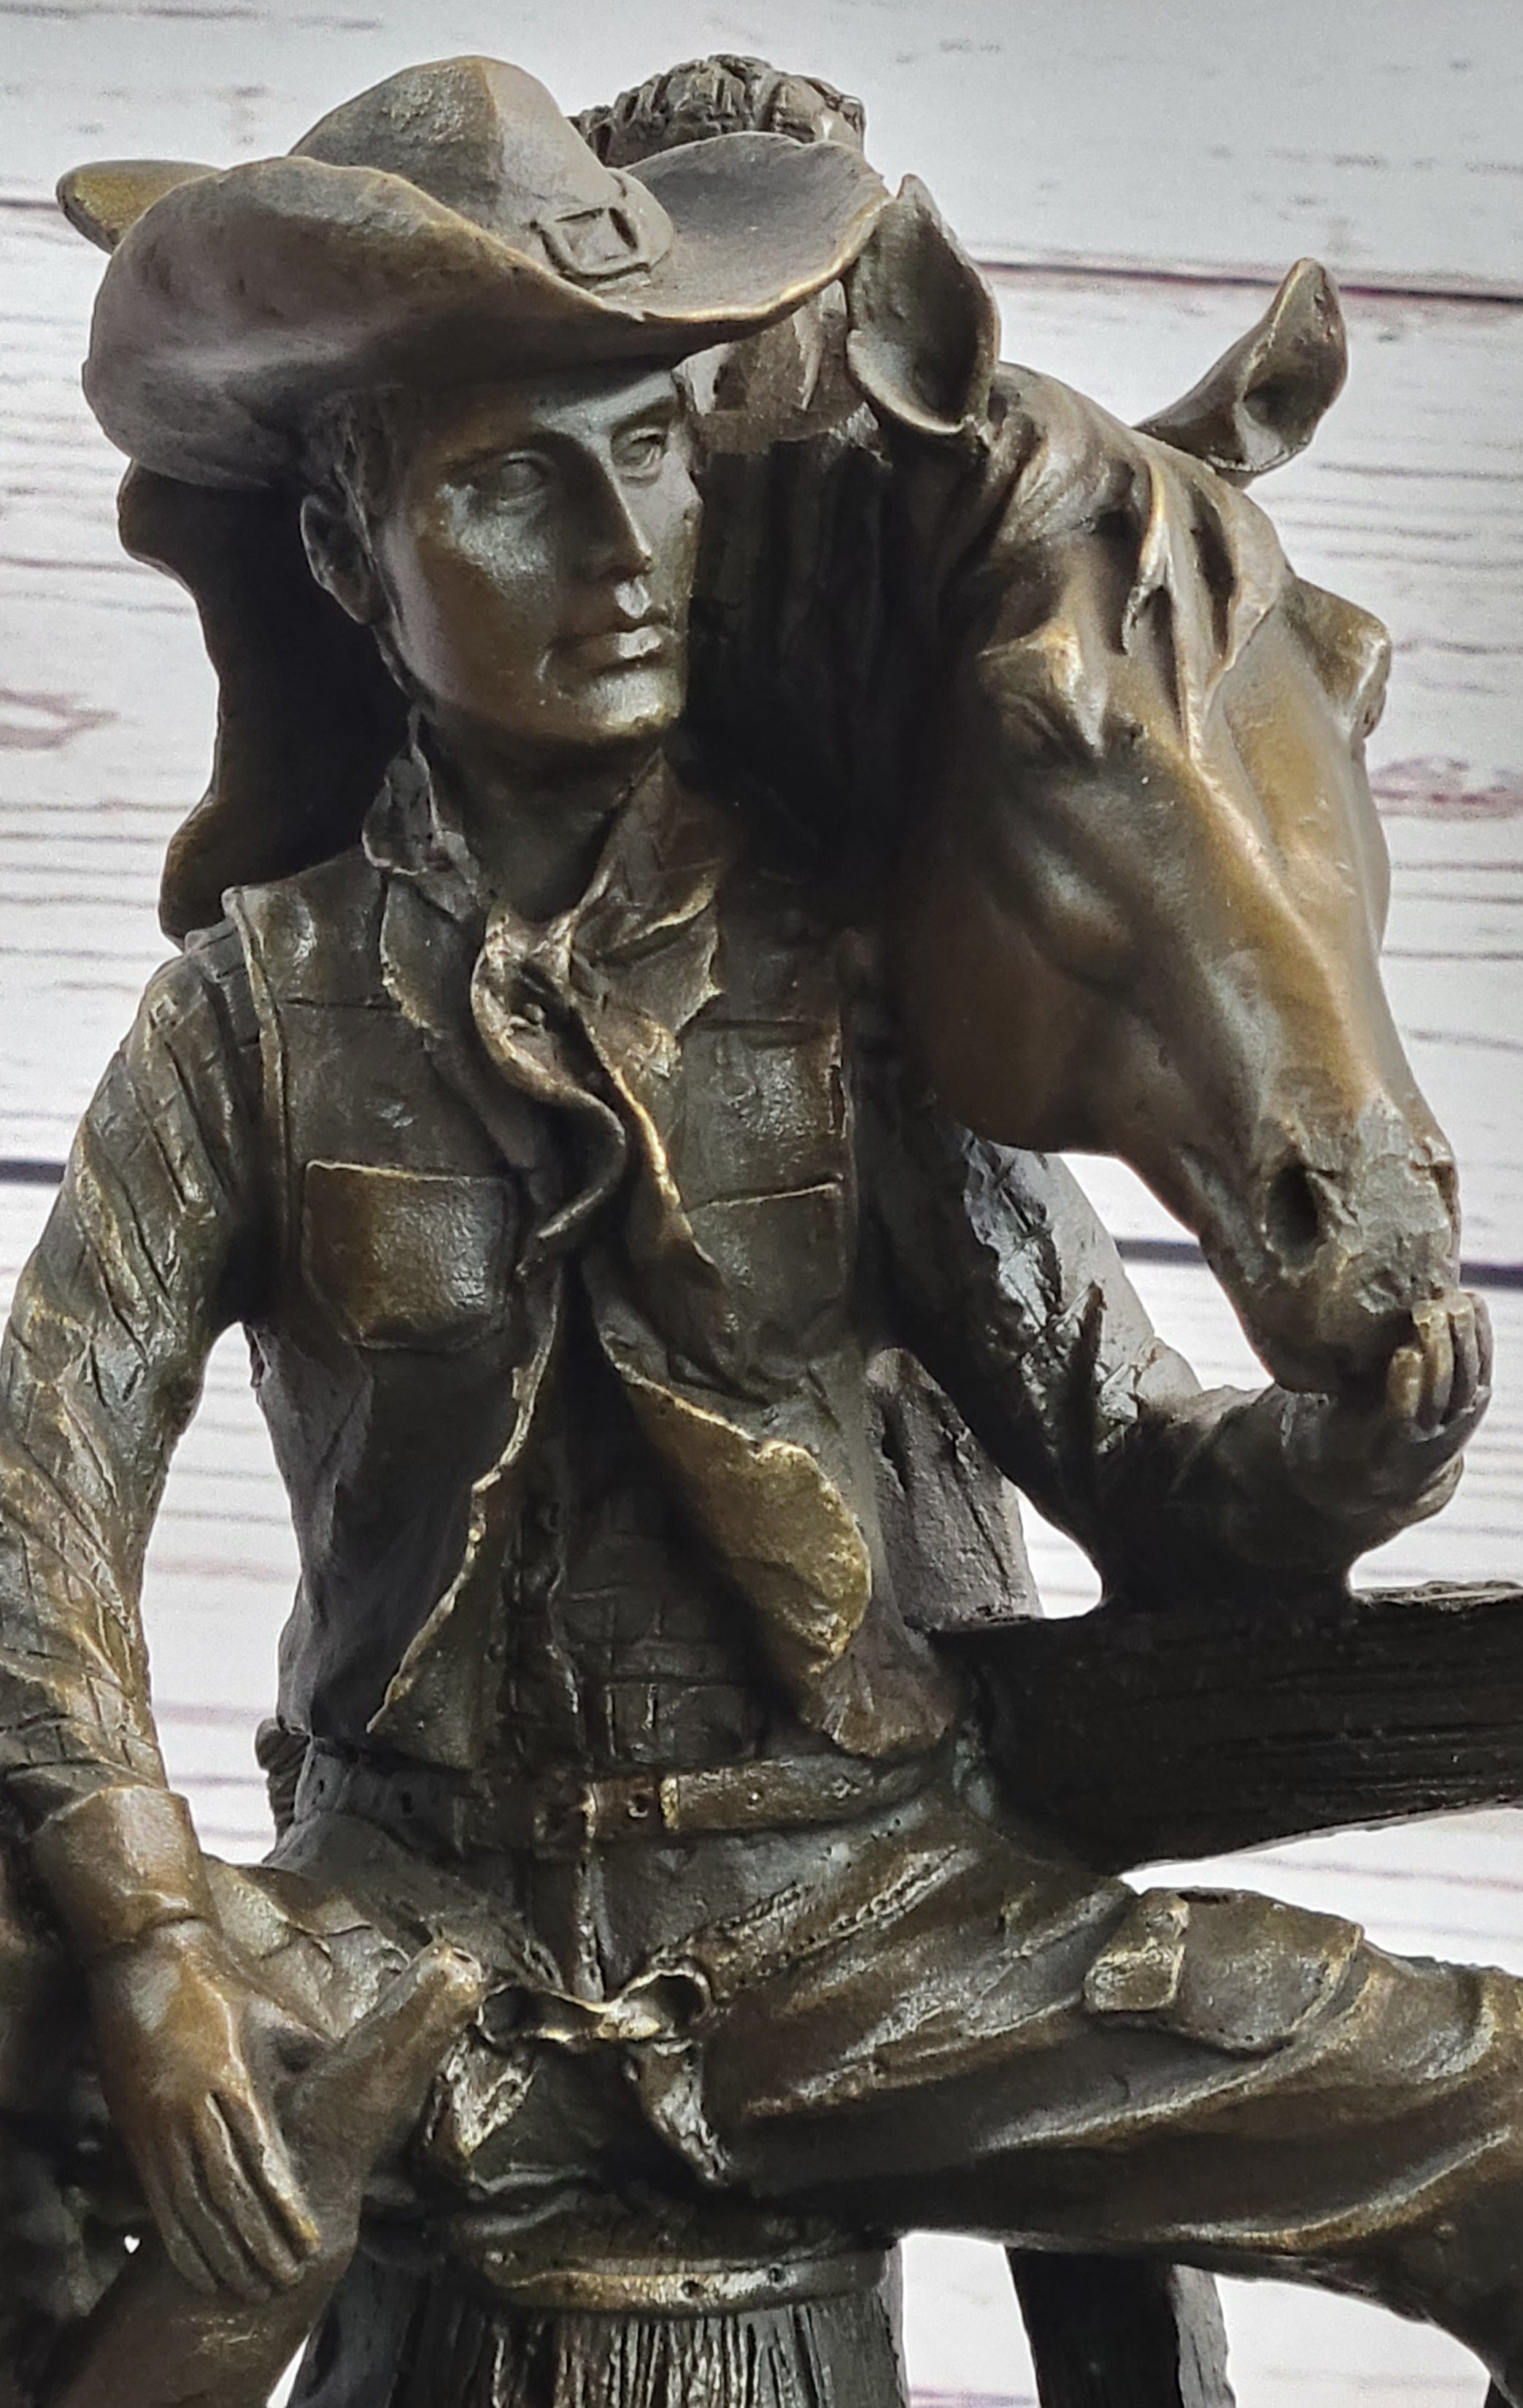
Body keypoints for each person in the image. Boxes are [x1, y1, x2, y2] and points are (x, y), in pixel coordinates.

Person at [1, 51, 1514, 2408]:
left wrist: (1350, 1454)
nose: (619, 554)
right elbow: (42, 1480)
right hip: (410, 1933)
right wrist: (142, 1928)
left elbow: (1134, 1462)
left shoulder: (846, 984)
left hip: (860, 1927)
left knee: (1497, 2113)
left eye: (646, 459)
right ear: (349, 561)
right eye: (512, 487)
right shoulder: (257, 1016)